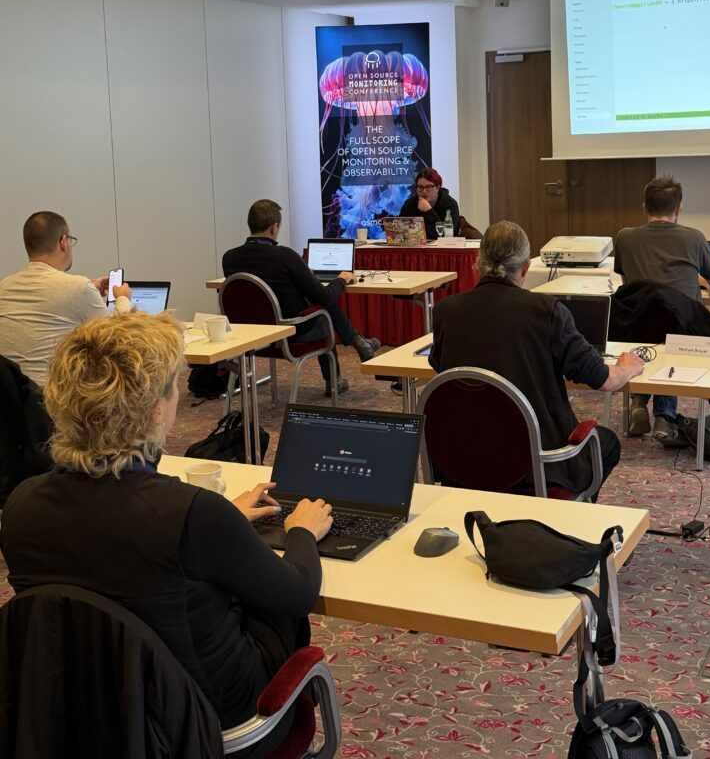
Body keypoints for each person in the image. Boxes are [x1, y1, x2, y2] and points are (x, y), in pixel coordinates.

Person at [0, 311, 334, 750]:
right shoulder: (189, 515)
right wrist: (302, 530)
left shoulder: (21, 505)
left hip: (90, 709)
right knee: (277, 604)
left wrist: (225, 520)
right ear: (158, 408)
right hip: (204, 720)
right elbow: (299, 592)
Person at [429, 221, 643, 497]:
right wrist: (626, 367)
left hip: (462, 463)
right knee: (607, 442)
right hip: (539, 466)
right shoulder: (546, 311)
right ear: (525, 267)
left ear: (478, 263)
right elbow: (604, 381)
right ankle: (562, 517)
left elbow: (441, 369)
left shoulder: (446, 311)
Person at [613, 175, 710, 442]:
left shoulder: (625, 237)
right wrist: (698, 281)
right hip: (684, 335)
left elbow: (630, 286)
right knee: (673, 333)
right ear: (679, 208)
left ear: (644, 207)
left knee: (653, 332)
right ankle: (664, 417)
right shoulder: (694, 238)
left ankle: (638, 402)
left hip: (635, 328)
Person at [222, 200, 380, 396]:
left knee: (319, 306)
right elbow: (324, 296)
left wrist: (301, 276)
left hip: (250, 334)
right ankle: (338, 375)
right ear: (274, 228)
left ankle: (359, 346)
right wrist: (341, 279)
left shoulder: (229, 258)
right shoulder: (286, 257)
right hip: (291, 332)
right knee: (323, 310)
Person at [0, 211, 132, 387]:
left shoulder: (4, 285)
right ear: (63, 242)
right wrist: (122, 298)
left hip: (11, 398)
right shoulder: (77, 287)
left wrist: (90, 290)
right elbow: (121, 335)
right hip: (53, 399)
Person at [399, 167, 460, 240]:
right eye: (420, 187)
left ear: (437, 188)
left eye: (429, 187)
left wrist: (429, 212)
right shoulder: (410, 205)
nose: (424, 191)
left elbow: (446, 235)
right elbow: (399, 230)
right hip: (416, 245)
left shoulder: (450, 204)